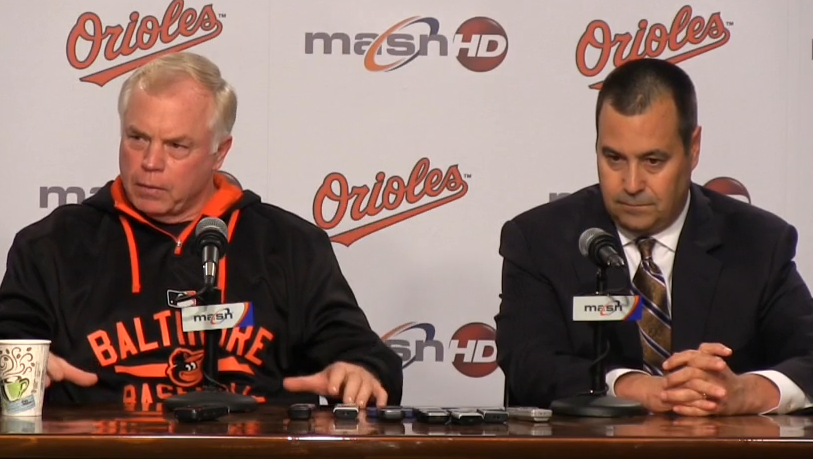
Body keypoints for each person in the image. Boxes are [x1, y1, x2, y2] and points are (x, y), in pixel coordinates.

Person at [0, 52, 402, 408]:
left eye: (177, 146)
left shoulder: (290, 246)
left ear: (219, 151)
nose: (150, 162)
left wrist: (361, 371)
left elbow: (363, 354)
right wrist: (15, 364)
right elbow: (11, 341)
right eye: (137, 138)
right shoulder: (52, 246)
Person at [495, 58, 813, 416]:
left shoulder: (757, 242)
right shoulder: (541, 240)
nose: (631, 184)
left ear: (693, 148)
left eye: (653, 161)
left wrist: (745, 392)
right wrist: (635, 388)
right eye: (613, 158)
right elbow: (527, 363)